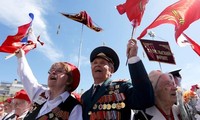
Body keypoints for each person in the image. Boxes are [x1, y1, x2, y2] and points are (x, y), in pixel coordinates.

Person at [81, 39, 154, 120]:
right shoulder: (84, 96)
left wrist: (132, 57)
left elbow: (145, 99)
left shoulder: (122, 87)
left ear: (111, 69)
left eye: (102, 63)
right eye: (95, 63)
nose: (97, 65)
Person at [15, 49, 82, 120]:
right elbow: (27, 78)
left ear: (69, 80)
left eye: (59, 71)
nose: (53, 72)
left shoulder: (74, 107)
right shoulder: (40, 93)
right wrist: (21, 57)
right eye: (51, 70)